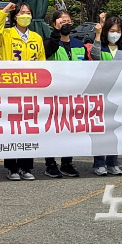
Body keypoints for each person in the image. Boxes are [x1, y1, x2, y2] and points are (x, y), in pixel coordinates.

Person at [0, 2, 44, 181]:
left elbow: (42, 62)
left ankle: (26, 166)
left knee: (28, 128)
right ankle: (12, 167)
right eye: (22, 13)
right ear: (15, 16)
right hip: (9, 88)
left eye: (29, 13)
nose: (26, 16)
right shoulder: (6, 34)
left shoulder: (36, 37)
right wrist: (4, 11)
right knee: (11, 128)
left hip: (30, 89)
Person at [41, 10, 85, 178]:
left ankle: (67, 162)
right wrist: (56, 33)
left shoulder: (79, 45)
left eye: (67, 21)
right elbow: (48, 51)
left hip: (74, 94)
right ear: (54, 24)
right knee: (52, 129)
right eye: (61, 21)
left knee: (70, 130)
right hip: (53, 93)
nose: (65, 23)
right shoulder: (50, 43)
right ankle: (50, 163)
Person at [89, 16, 122, 176]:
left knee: (115, 130)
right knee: (101, 130)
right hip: (102, 94)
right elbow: (95, 56)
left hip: (118, 94)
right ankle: (99, 163)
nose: (115, 34)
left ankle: (113, 162)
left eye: (118, 31)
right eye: (112, 31)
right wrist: (98, 36)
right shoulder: (102, 47)